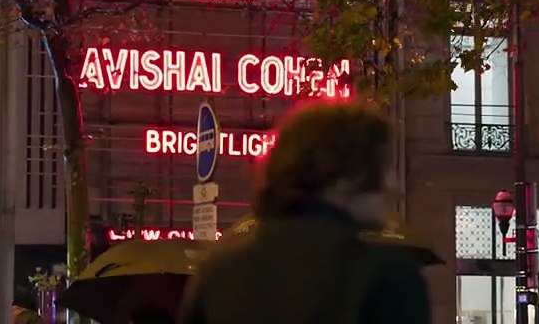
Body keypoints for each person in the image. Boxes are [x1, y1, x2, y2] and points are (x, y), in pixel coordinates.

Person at [178, 100, 430, 324]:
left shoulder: (217, 273)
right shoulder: (385, 277)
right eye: (384, 169)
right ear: (342, 175)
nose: (394, 187)